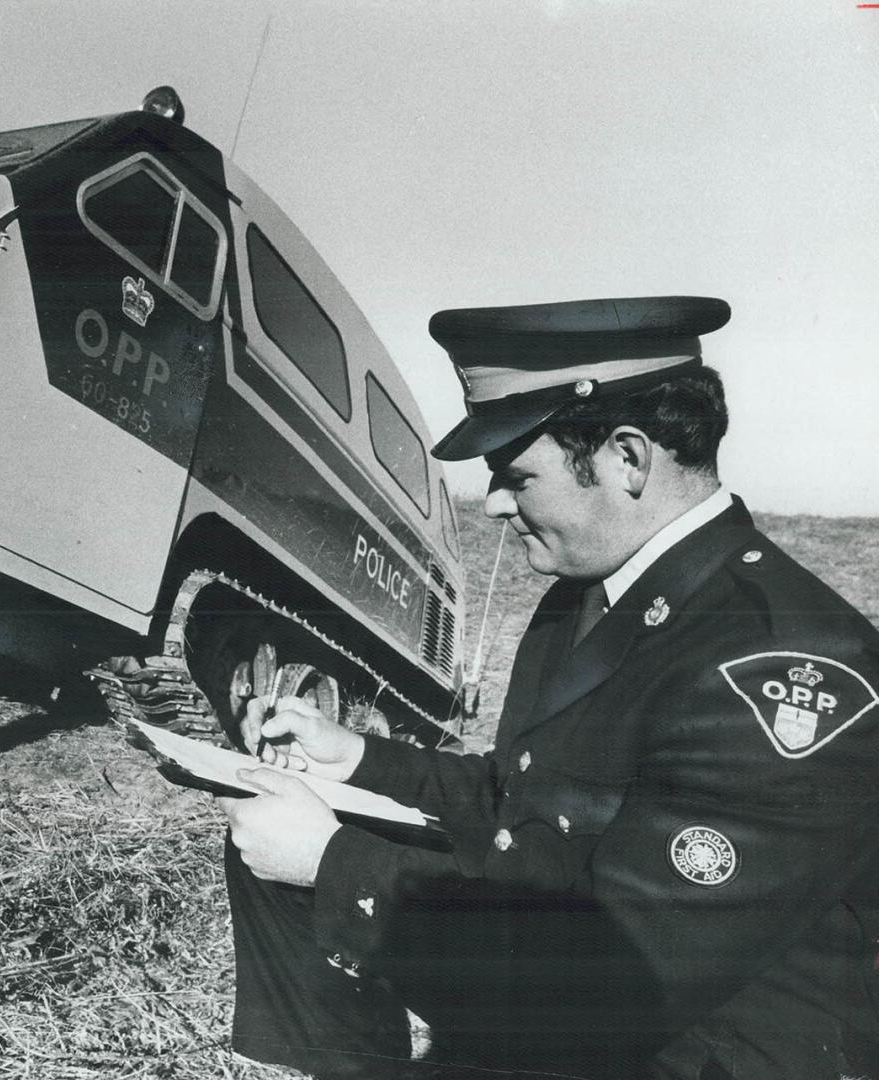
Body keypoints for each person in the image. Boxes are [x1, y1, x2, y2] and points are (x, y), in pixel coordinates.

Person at [218, 296, 879, 1079]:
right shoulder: (589, 594)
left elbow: (615, 986)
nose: (494, 504)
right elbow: (524, 797)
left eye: (516, 475)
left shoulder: (779, 661)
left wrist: (334, 865)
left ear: (628, 459)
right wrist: (354, 760)